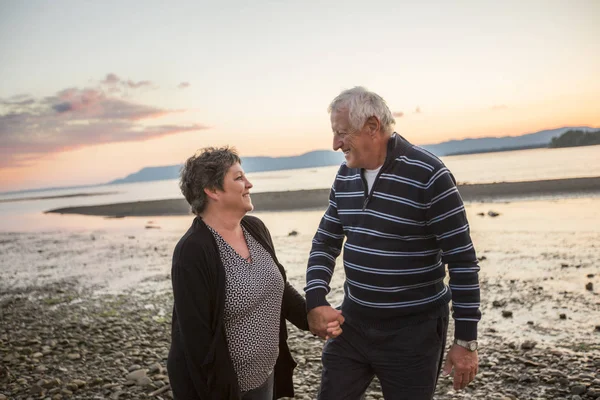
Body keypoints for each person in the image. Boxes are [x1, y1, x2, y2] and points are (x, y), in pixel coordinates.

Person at [305, 87, 481, 399]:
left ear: (372, 127)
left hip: (413, 333)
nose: (335, 144)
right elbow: (326, 240)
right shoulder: (345, 176)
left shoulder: (429, 174)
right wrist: (316, 299)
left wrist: (465, 341)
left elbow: (462, 259)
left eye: (342, 133)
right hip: (354, 322)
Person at [167, 146, 343, 400]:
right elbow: (198, 343)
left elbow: (277, 286)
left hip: (264, 374)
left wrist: (312, 317)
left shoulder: (255, 228)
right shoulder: (192, 251)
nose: (249, 184)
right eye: (238, 178)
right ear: (213, 190)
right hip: (222, 387)